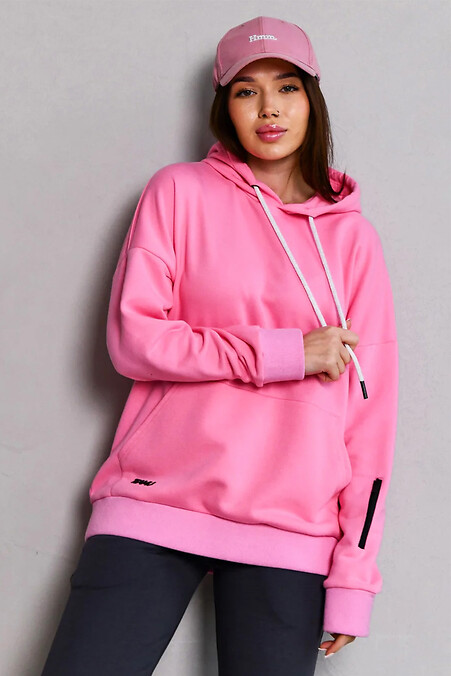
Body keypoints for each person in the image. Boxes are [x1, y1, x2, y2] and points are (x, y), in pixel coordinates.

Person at [41, 15, 399, 676]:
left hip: (291, 530)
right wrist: (286, 353)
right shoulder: (178, 193)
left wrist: (354, 574)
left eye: (286, 87)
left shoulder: (353, 241)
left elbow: (370, 421)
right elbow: (134, 340)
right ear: (223, 106)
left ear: (311, 99)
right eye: (245, 91)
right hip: (155, 502)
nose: (268, 108)